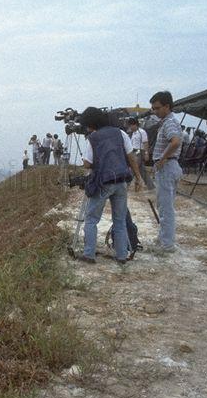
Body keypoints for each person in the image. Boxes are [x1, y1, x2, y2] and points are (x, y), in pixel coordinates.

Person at [76, 107, 143, 266]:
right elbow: (131, 157)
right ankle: (121, 256)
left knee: (92, 219)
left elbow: (87, 164)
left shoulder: (93, 138)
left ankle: (89, 254)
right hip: (121, 181)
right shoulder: (121, 133)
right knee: (119, 221)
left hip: (103, 182)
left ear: (91, 124)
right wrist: (138, 177)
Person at [149, 90, 183, 255]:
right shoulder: (168, 121)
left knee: (166, 208)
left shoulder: (169, 122)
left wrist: (162, 159)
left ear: (167, 106)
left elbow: (175, 142)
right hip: (169, 166)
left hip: (167, 167)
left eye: (157, 108)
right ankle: (164, 237)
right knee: (163, 205)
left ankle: (167, 244)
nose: (155, 111)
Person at [127, 118, 154, 190]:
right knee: (142, 170)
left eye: (130, 126)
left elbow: (145, 143)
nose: (130, 127)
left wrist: (146, 153)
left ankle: (126, 185)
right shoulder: (133, 133)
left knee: (133, 167)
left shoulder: (142, 132)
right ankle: (151, 186)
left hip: (139, 151)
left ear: (135, 125)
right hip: (134, 151)